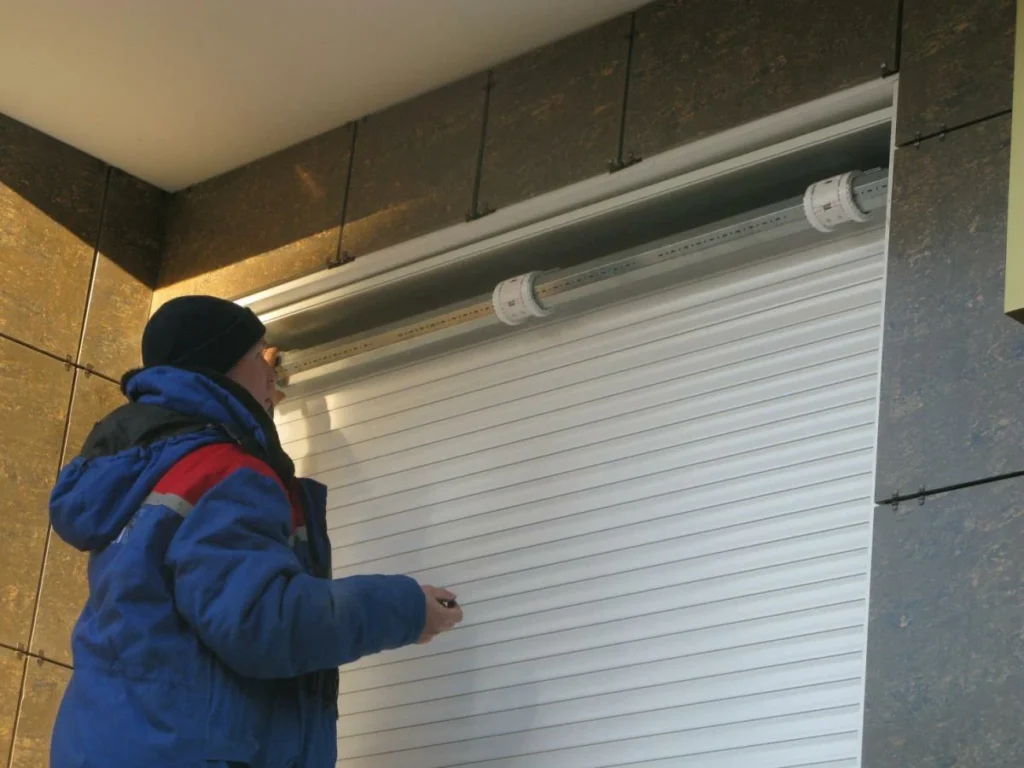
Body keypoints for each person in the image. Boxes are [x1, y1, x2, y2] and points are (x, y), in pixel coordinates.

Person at [49, 295, 463, 767]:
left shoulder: (147, 470)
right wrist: (407, 609)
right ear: (223, 365)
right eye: (264, 357)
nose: (274, 376)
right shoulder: (222, 471)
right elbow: (260, 620)